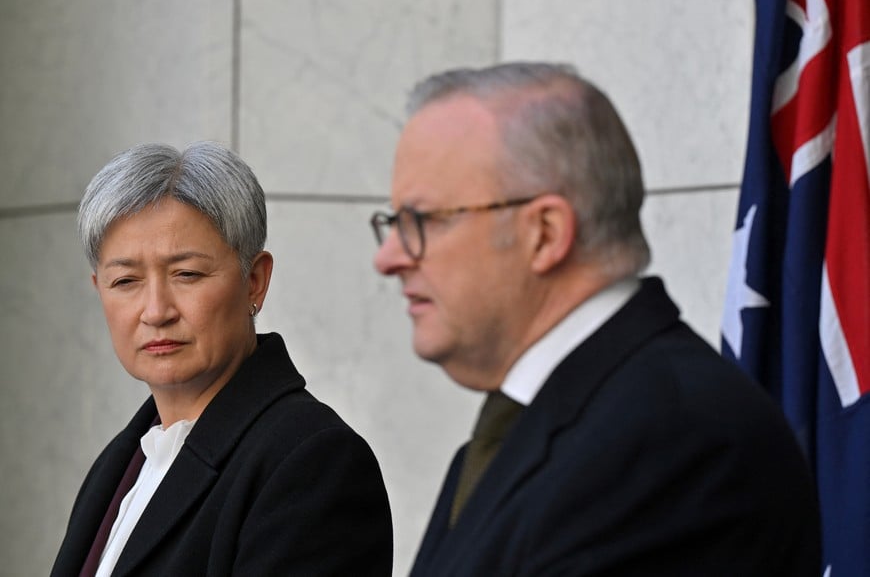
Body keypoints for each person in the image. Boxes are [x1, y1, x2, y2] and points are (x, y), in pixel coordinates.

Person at [370, 62, 821, 576]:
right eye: (393, 223)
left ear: (544, 232)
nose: (388, 258)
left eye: (421, 221)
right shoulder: (523, 427)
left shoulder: (679, 441)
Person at [52, 142, 392, 576]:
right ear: (98, 289)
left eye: (187, 274)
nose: (156, 311)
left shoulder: (312, 463)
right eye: (126, 281)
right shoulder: (123, 462)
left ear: (254, 281)